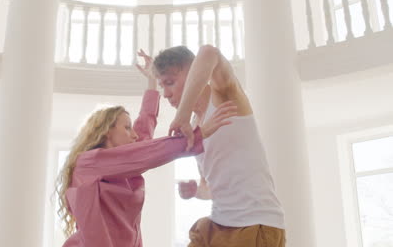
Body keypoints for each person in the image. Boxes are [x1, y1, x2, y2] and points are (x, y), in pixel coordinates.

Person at [56, 49, 239, 247]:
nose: (134, 134)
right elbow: (148, 152)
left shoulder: (126, 169)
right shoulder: (89, 162)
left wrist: (152, 82)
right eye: (126, 127)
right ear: (106, 132)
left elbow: (144, 130)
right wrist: (198, 135)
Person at [152, 45, 286, 247]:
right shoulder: (196, 129)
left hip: (254, 225)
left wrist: (183, 114)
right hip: (216, 226)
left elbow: (208, 52)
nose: (166, 94)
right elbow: (211, 189)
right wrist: (196, 191)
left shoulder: (224, 95)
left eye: (170, 83)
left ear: (193, 71)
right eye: (162, 86)